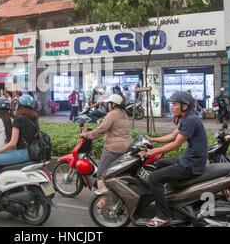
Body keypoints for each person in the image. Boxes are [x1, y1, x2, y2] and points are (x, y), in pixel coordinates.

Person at [139, 91, 208, 227]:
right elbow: (171, 136)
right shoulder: (186, 118)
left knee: (154, 178)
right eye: (172, 104)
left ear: (185, 106)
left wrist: (151, 151)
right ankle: (166, 196)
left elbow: (176, 144)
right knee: (158, 164)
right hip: (188, 158)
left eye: (175, 104)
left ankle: (163, 216)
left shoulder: (190, 120)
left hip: (191, 164)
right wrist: (152, 139)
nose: (172, 107)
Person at [79, 94, 132, 207]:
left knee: (101, 174)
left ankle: (103, 201)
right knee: (113, 174)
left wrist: (86, 135)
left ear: (113, 104)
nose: (107, 105)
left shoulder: (112, 114)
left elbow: (101, 130)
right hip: (126, 147)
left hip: (114, 148)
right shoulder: (123, 113)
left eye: (108, 103)